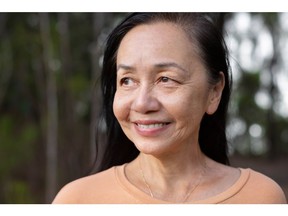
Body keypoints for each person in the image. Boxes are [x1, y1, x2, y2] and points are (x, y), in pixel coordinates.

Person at [53, 13, 287, 204]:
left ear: (214, 92)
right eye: (127, 80)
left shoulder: (261, 198)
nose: (142, 104)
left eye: (166, 79)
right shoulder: (77, 201)